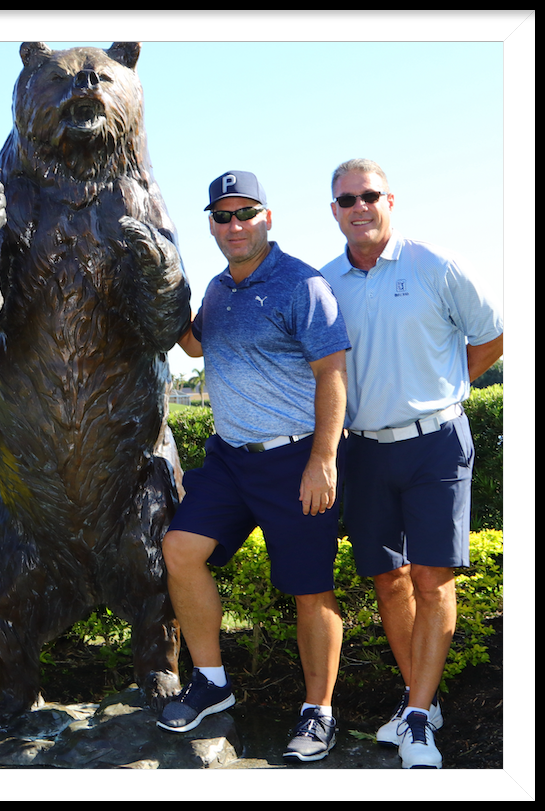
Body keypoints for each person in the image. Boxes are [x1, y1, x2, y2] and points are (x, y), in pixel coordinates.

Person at [156, 171, 351, 763]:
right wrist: (159, 287)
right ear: (212, 226)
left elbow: (332, 374)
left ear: (268, 218)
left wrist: (323, 459)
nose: (234, 225)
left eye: (246, 213)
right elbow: (194, 344)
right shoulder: (219, 288)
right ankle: (212, 683)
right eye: (222, 216)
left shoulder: (302, 284)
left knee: (310, 590)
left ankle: (319, 713)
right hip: (230, 459)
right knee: (180, 550)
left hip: (295, 459)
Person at [320, 158, 504, 769]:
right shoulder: (325, 284)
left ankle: (419, 719)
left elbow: (493, 334)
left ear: (390, 201)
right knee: (388, 578)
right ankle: (419, 698)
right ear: (334, 211)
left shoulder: (437, 266)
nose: (360, 207)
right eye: (347, 200)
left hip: (436, 444)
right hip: (364, 450)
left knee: (431, 577)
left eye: (369, 196)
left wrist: (451, 385)